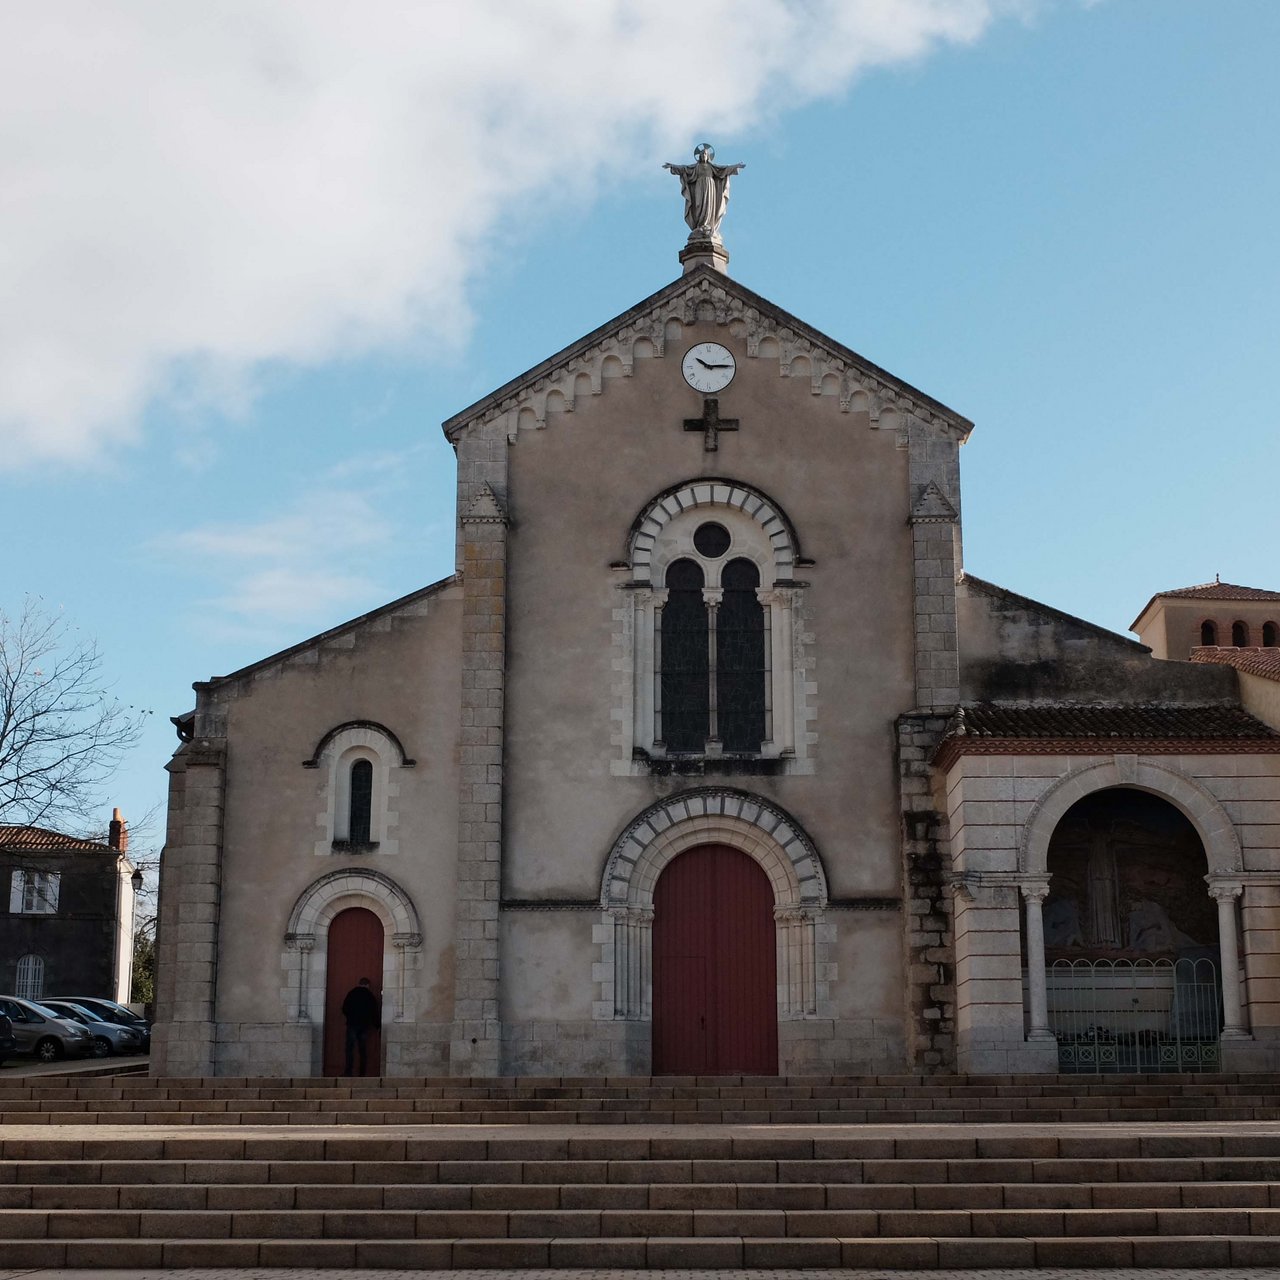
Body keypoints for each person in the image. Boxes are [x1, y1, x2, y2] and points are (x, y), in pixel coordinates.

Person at [340, 977, 379, 1076]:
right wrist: (377, 1026)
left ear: (359, 983)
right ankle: (362, 1073)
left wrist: (350, 1017)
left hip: (352, 1024)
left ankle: (348, 1072)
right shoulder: (370, 996)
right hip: (364, 1025)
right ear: (367, 985)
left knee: (350, 1049)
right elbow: (374, 1012)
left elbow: (344, 1008)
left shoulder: (352, 993)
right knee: (362, 1049)